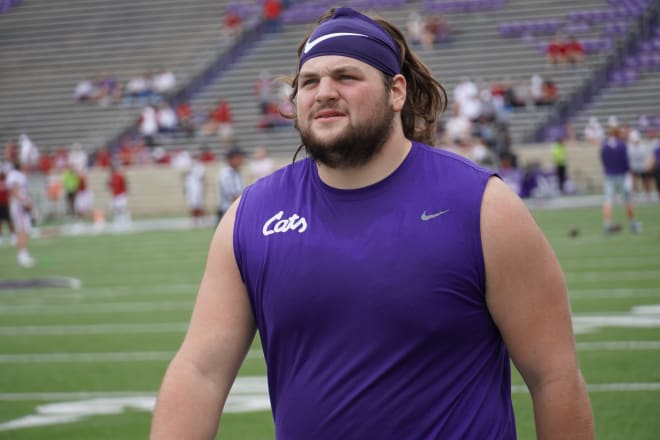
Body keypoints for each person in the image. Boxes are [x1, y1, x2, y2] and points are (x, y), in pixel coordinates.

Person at [151, 8, 594, 439]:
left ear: (396, 92)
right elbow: (200, 372)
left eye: (346, 77)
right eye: (309, 81)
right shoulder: (252, 216)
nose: (323, 91)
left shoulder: (481, 206)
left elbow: (553, 376)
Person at [600, 126, 642, 234]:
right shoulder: (622, 145)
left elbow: (603, 160)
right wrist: (631, 176)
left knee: (608, 201)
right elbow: (626, 162)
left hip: (609, 175)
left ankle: (607, 224)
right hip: (622, 176)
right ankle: (633, 224)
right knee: (627, 200)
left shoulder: (604, 146)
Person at [6, 159, 35, 267]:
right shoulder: (15, 175)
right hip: (19, 206)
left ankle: (23, 254)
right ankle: (22, 256)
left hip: (20, 205)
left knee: (25, 229)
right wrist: (25, 202)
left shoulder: (18, 174)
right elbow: (15, 191)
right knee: (23, 230)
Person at [215, 146, 245, 223]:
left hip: (235, 210)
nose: (242, 159)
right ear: (232, 158)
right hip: (227, 211)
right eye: (239, 157)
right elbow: (233, 196)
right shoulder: (226, 174)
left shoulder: (236, 172)